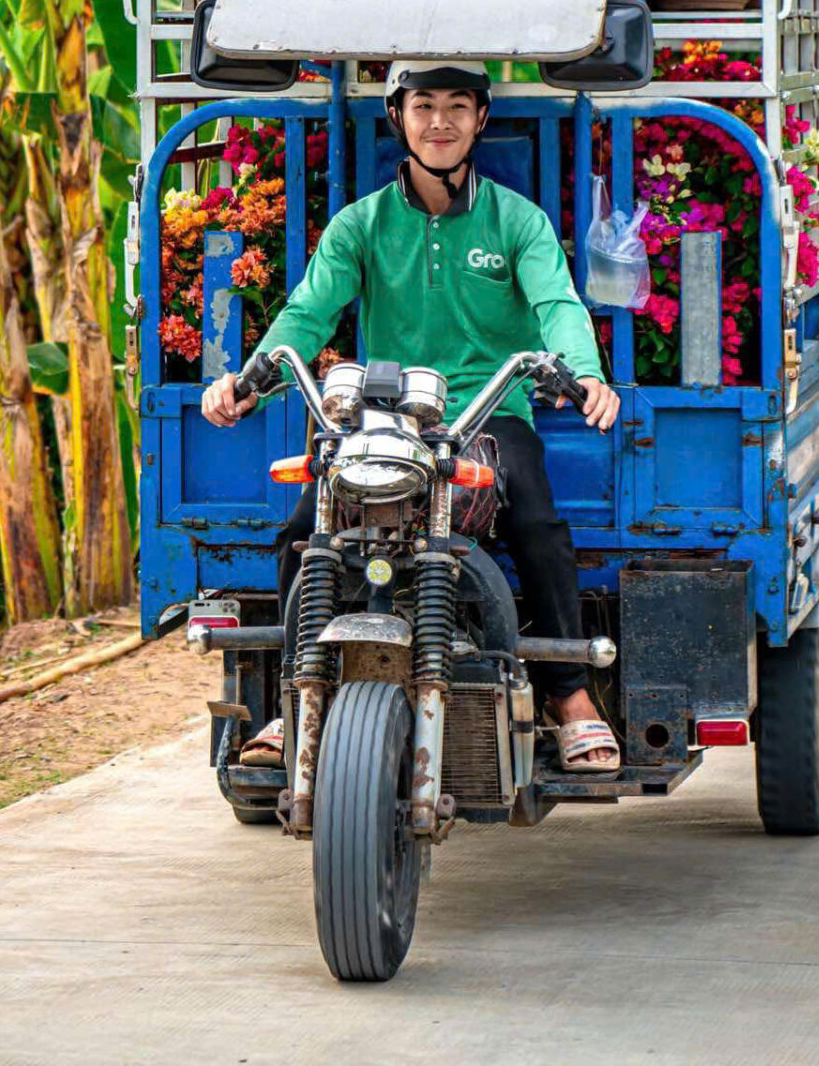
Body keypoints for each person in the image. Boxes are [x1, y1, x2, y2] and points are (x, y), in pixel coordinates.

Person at [202, 60, 621, 771]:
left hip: (491, 409)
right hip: (386, 416)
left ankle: (570, 696)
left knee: (538, 524)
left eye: (458, 106)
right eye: (423, 105)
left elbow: (557, 304)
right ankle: (286, 705)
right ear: (398, 117)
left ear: (480, 119)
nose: (440, 121)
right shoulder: (360, 224)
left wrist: (583, 374)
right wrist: (249, 379)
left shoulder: (516, 220)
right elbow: (307, 313)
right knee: (306, 532)